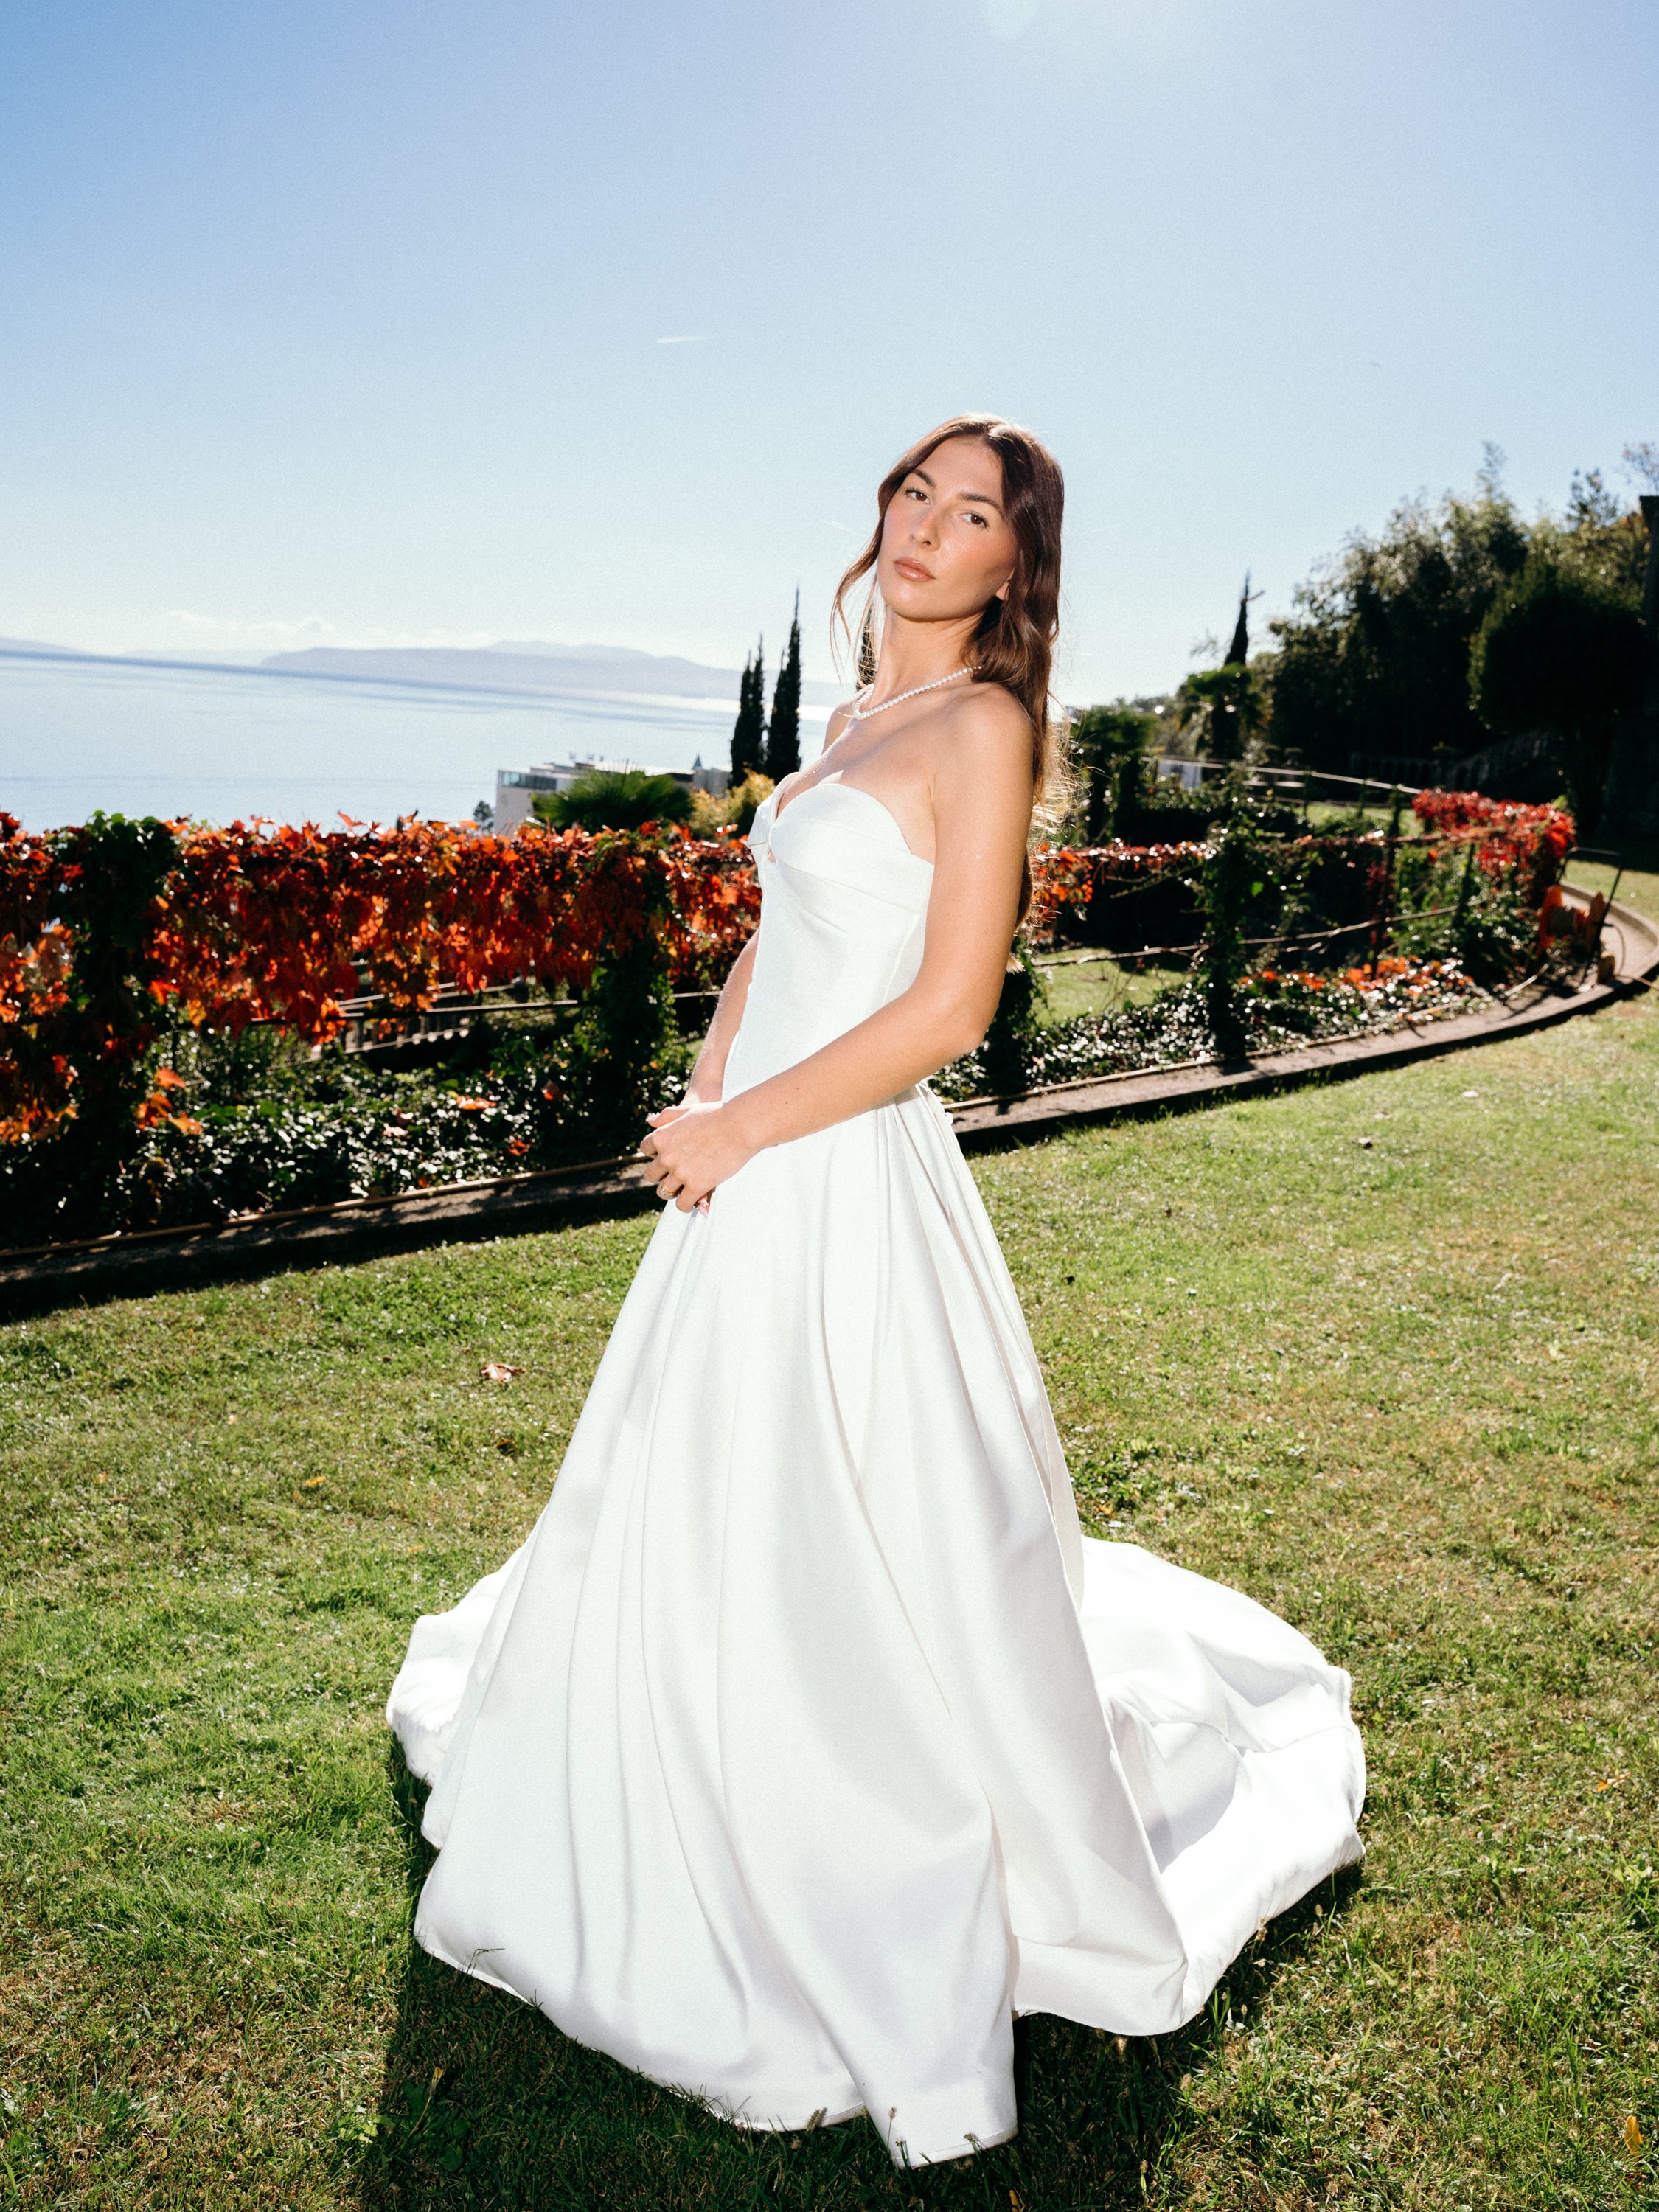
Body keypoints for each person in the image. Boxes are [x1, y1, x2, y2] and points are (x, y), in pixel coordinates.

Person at [386, 415, 1365, 2168]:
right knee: (701, 1494)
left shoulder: (983, 726)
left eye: (970, 512)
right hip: (749, 1160)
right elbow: (781, 935)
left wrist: (750, 1123)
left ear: (1014, 567)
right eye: (914, 493)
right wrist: (706, 1086)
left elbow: (951, 1008)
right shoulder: (852, 721)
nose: (925, 527)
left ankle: (850, 1824)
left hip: (842, 1171)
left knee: (866, 1511)